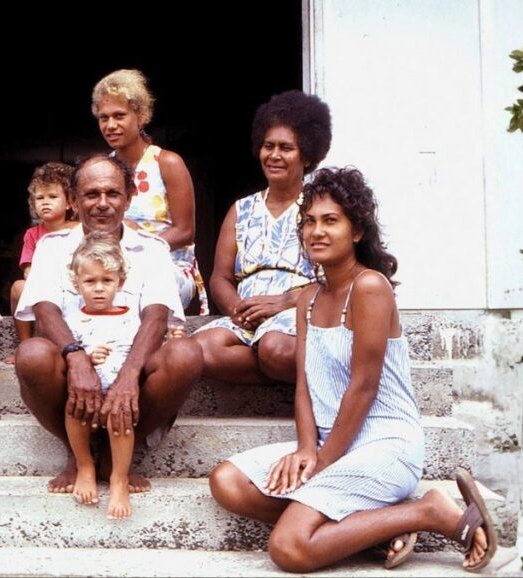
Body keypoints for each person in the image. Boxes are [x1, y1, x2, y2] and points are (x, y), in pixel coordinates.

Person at [208, 168, 497, 573]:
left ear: (357, 230)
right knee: (228, 481)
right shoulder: (308, 297)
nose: (316, 231)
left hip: (384, 444)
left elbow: (363, 386)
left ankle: (429, 512)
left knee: (289, 548)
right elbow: (305, 386)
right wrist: (307, 449)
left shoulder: (370, 288)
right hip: (330, 444)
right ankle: (371, 531)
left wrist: (323, 461)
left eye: (331, 221)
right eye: (309, 221)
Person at [14, 154, 204, 495]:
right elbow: (45, 311)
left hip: (131, 371)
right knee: (31, 355)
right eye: (91, 194)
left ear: (129, 197)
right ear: (73, 200)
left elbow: (157, 316)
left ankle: (119, 458)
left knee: (186, 355)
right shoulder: (51, 247)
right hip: (75, 373)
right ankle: (78, 453)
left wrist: (129, 376)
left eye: (113, 194)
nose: (103, 203)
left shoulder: (153, 249)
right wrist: (76, 359)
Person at [193, 91, 331, 386]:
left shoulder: (321, 208)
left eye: (286, 148)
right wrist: (238, 311)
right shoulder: (241, 209)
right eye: (269, 146)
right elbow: (220, 277)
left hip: (298, 312)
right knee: (197, 350)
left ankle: (281, 362)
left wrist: (282, 302)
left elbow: (335, 279)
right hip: (248, 316)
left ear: (306, 155)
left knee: (275, 347)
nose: (275, 155)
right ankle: (281, 371)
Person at [91, 69, 208, 315]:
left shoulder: (167, 162)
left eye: (119, 115)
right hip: (111, 264)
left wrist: (135, 247)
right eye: (104, 118)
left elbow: (185, 232)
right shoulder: (103, 168)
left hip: (166, 266)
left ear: (140, 115)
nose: (111, 125)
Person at [63, 232, 141, 519]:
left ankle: (119, 478)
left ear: (120, 282)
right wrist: (85, 354)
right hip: (86, 392)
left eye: (107, 281)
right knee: (74, 410)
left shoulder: (132, 319)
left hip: (118, 393)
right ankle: (85, 465)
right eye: (89, 282)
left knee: (120, 419)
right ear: (77, 284)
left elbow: (138, 353)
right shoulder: (73, 320)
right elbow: (66, 355)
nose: (98, 289)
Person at [5, 162, 79, 364]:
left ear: (70, 202)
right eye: (40, 198)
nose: (45, 202)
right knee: (18, 288)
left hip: (75, 287)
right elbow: (28, 270)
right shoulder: (32, 234)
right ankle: (25, 344)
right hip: (44, 285)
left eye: (53, 197)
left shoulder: (78, 230)